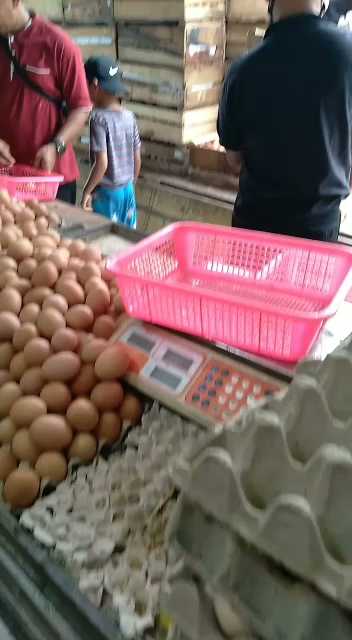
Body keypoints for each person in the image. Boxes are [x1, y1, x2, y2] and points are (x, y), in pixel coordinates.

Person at [218, 0, 352, 241]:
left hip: (254, 229)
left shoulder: (242, 70)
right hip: (317, 231)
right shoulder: (347, 56)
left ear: (270, 3)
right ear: (323, 2)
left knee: (250, 281)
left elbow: (234, 160)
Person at [0, 0, 91, 204]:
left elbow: (82, 107)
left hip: (50, 179)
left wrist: (56, 146)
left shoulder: (58, 43)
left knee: (50, 234)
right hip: (6, 178)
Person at [82, 56, 141, 228]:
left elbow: (102, 163)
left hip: (108, 194)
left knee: (105, 239)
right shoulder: (130, 116)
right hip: (128, 191)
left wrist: (88, 190)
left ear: (94, 85)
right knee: (126, 238)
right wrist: (131, 182)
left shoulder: (99, 119)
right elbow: (137, 157)